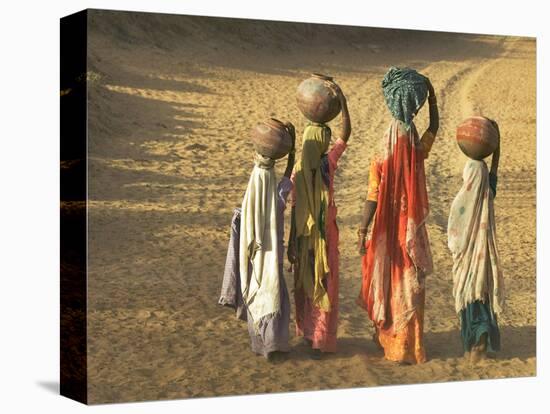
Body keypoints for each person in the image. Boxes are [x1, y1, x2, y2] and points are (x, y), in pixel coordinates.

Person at [357, 67, 438, 364]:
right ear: (414, 105)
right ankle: (410, 346)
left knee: (388, 281)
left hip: (385, 231)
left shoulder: (383, 147)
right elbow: (434, 130)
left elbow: (372, 194)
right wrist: (433, 100)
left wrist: (362, 228)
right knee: (411, 283)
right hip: (410, 230)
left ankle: (389, 340)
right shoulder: (415, 145)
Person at [219, 121, 296, 361]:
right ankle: (273, 344)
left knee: (257, 291)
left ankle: (260, 342)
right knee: (274, 293)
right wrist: (292, 151)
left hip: (254, 253)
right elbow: (287, 177)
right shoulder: (278, 192)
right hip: (273, 252)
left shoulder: (254, 189)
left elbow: (263, 166)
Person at [288, 82, 351, 359]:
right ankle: (321, 339)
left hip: (303, 239)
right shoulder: (328, 165)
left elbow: (294, 210)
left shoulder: (298, 172)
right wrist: (344, 103)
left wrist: (291, 242)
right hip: (326, 235)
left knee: (305, 283)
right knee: (325, 282)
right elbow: (345, 135)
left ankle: (306, 333)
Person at [447, 121, 505, 363]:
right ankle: (480, 342)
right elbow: (493, 172)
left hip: (468, 256)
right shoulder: (488, 190)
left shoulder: (464, 196)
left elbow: (454, 229)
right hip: (483, 253)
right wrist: (497, 146)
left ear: (468, 176)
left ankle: (476, 344)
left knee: (469, 296)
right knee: (481, 293)